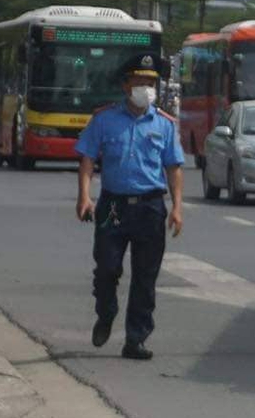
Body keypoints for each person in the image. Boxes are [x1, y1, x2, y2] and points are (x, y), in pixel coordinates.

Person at [73, 54, 184, 362]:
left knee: (145, 277)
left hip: (150, 206)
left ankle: (136, 339)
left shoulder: (164, 124)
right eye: (140, 81)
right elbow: (87, 160)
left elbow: (174, 167)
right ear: (126, 85)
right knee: (107, 267)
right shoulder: (104, 119)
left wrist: (177, 207)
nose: (146, 88)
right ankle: (106, 312)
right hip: (113, 205)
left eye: (151, 83)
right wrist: (84, 197)